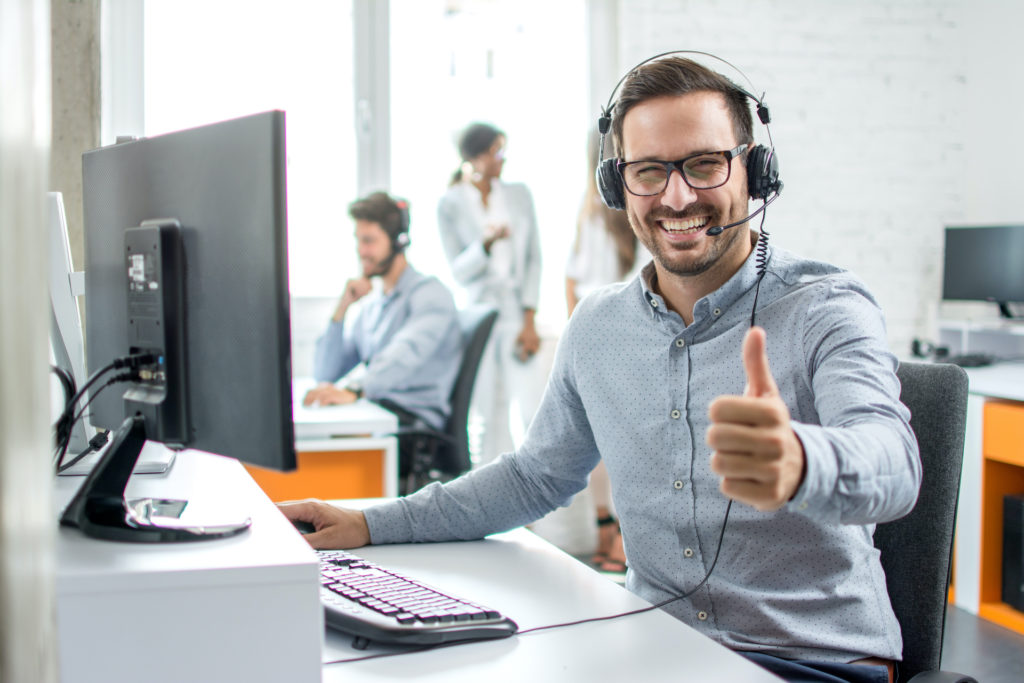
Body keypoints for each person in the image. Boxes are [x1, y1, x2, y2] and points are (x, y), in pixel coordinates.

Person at [281, 57, 919, 683]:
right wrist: (370, 523)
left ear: (754, 170)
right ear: (618, 186)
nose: (676, 196)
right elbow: (534, 478)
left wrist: (804, 460)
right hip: (655, 649)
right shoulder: (598, 327)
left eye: (704, 164)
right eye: (648, 171)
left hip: (812, 662)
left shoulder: (824, 306)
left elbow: (894, 460)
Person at [303, 191, 462, 487]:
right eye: (358, 239)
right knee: (308, 445)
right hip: (378, 417)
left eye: (369, 240)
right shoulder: (373, 306)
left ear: (399, 241)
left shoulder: (430, 295)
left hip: (411, 430)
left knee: (317, 458)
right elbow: (325, 373)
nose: (361, 250)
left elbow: (406, 352)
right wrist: (341, 309)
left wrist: (355, 388)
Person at [566, 129, 652, 573]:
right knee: (619, 445)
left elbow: (571, 280)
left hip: (607, 338)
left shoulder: (592, 214)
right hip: (624, 339)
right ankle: (616, 538)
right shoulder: (616, 214)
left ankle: (609, 536)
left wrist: (576, 336)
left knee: (603, 444)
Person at [434, 122, 543, 464]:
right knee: (484, 410)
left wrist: (530, 320)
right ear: (476, 158)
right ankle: (487, 493)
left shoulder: (518, 195)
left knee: (530, 409)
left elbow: (533, 258)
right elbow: (458, 271)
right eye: (497, 152)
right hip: (479, 314)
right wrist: (485, 244)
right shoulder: (449, 204)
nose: (502, 159)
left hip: (515, 314)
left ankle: (532, 494)